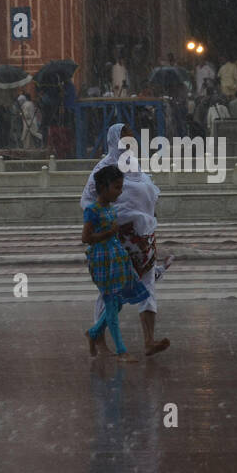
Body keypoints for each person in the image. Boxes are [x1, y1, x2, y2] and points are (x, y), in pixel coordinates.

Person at [80, 124, 171, 358]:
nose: (129, 142)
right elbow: (89, 203)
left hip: (143, 239)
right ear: (113, 141)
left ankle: (149, 340)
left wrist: (150, 225)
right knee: (111, 293)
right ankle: (99, 339)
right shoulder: (103, 170)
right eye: (124, 138)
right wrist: (109, 223)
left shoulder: (137, 168)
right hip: (117, 240)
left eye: (132, 138)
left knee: (148, 286)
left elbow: (148, 200)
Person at [82, 165, 152, 362]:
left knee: (118, 303)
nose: (120, 192)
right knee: (112, 305)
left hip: (116, 259)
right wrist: (107, 234)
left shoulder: (111, 209)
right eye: (116, 187)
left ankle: (94, 333)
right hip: (103, 260)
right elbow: (86, 237)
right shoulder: (92, 211)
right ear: (103, 188)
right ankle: (122, 351)